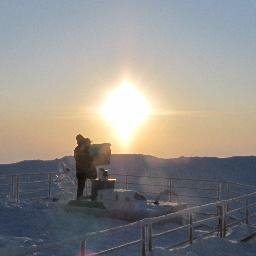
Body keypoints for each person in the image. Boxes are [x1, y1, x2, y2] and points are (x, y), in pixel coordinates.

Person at [74, 134, 96, 199]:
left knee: (82, 186)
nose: (77, 141)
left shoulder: (80, 148)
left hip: (83, 170)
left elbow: (78, 158)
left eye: (77, 140)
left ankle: (80, 199)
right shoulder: (87, 147)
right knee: (94, 182)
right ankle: (94, 197)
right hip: (85, 170)